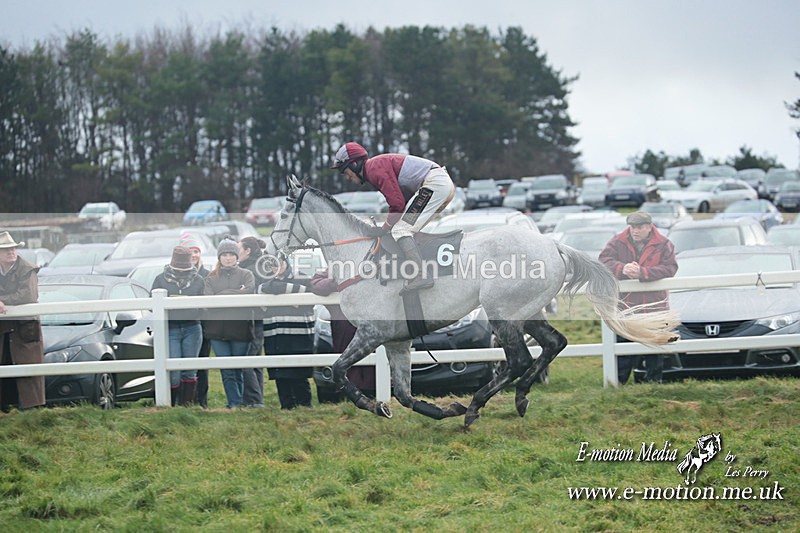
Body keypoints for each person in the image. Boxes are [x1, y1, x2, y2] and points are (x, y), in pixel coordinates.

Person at [330, 142, 455, 294]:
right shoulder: (374, 168)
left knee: (401, 231)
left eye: (345, 171)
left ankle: (421, 275)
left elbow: (397, 204)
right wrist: (387, 226)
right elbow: (402, 202)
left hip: (435, 184)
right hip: (440, 183)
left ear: (355, 164)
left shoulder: (374, 169)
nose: (347, 177)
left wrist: (384, 228)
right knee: (407, 230)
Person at [599, 211, 678, 384]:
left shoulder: (664, 244)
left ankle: (653, 385)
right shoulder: (617, 241)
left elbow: (671, 268)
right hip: (626, 307)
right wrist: (622, 268)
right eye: (633, 227)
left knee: (655, 351)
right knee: (624, 352)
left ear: (649, 227)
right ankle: (616, 386)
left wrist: (644, 273)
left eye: (640, 227)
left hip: (655, 307)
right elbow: (603, 261)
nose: (635, 231)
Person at [150, 246, 205, 405]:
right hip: (170, 328)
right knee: (173, 371)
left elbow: (204, 305)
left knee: (190, 369)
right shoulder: (160, 279)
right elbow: (151, 303)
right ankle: (172, 404)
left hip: (192, 327)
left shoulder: (198, 280)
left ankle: (186, 406)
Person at [204, 239, 255, 408]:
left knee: (238, 368)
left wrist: (223, 294)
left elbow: (249, 292)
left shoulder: (246, 274)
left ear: (236, 256)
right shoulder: (211, 277)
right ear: (219, 257)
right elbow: (209, 301)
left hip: (240, 329)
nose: (228, 258)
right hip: (217, 330)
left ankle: (238, 402)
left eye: (231, 254)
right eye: (224, 255)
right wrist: (234, 294)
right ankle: (234, 402)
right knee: (226, 370)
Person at [259, 256, 314, 409]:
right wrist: (289, 293)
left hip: (298, 332)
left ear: (286, 262)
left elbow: (307, 293)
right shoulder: (263, 280)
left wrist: (275, 288)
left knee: (299, 372)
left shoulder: (301, 276)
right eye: (271, 265)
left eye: (278, 263)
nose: (275, 268)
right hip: (275, 332)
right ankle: (286, 406)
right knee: (280, 372)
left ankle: (304, 405)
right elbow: (260, 290)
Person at [309, 269, 375, 397]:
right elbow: (316, 284)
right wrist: (344, 281)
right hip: (345, 335)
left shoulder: (369, 266)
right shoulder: (335, 269)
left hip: (370, 338)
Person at [0, 231, 45, 411]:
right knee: (4, 365)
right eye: (5, 249)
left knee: (28, 369)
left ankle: (32, 412)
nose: (11, 252)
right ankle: (5, 410)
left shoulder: (28, 268)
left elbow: (28, 295)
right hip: (3, 327)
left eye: (13, 248)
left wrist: (3, 301)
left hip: (25, 327)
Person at [178, 233, 212, 408]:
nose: (194, 255)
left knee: (201, 366)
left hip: (204, 328)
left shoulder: (208, 274)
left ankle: (202, 402)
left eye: (197, 251)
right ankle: (184, 402)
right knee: (182, 365)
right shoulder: (174, 276)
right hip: (183, 325)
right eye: (191, 251)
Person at [237, 236, 269, 408]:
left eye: (238, 249)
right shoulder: (259, 266)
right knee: (255, 360)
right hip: (257, 319)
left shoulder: (251, 270)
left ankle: (254, 400)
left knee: (248, 360)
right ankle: (257, 399)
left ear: (247, 251)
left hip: (253, 320)